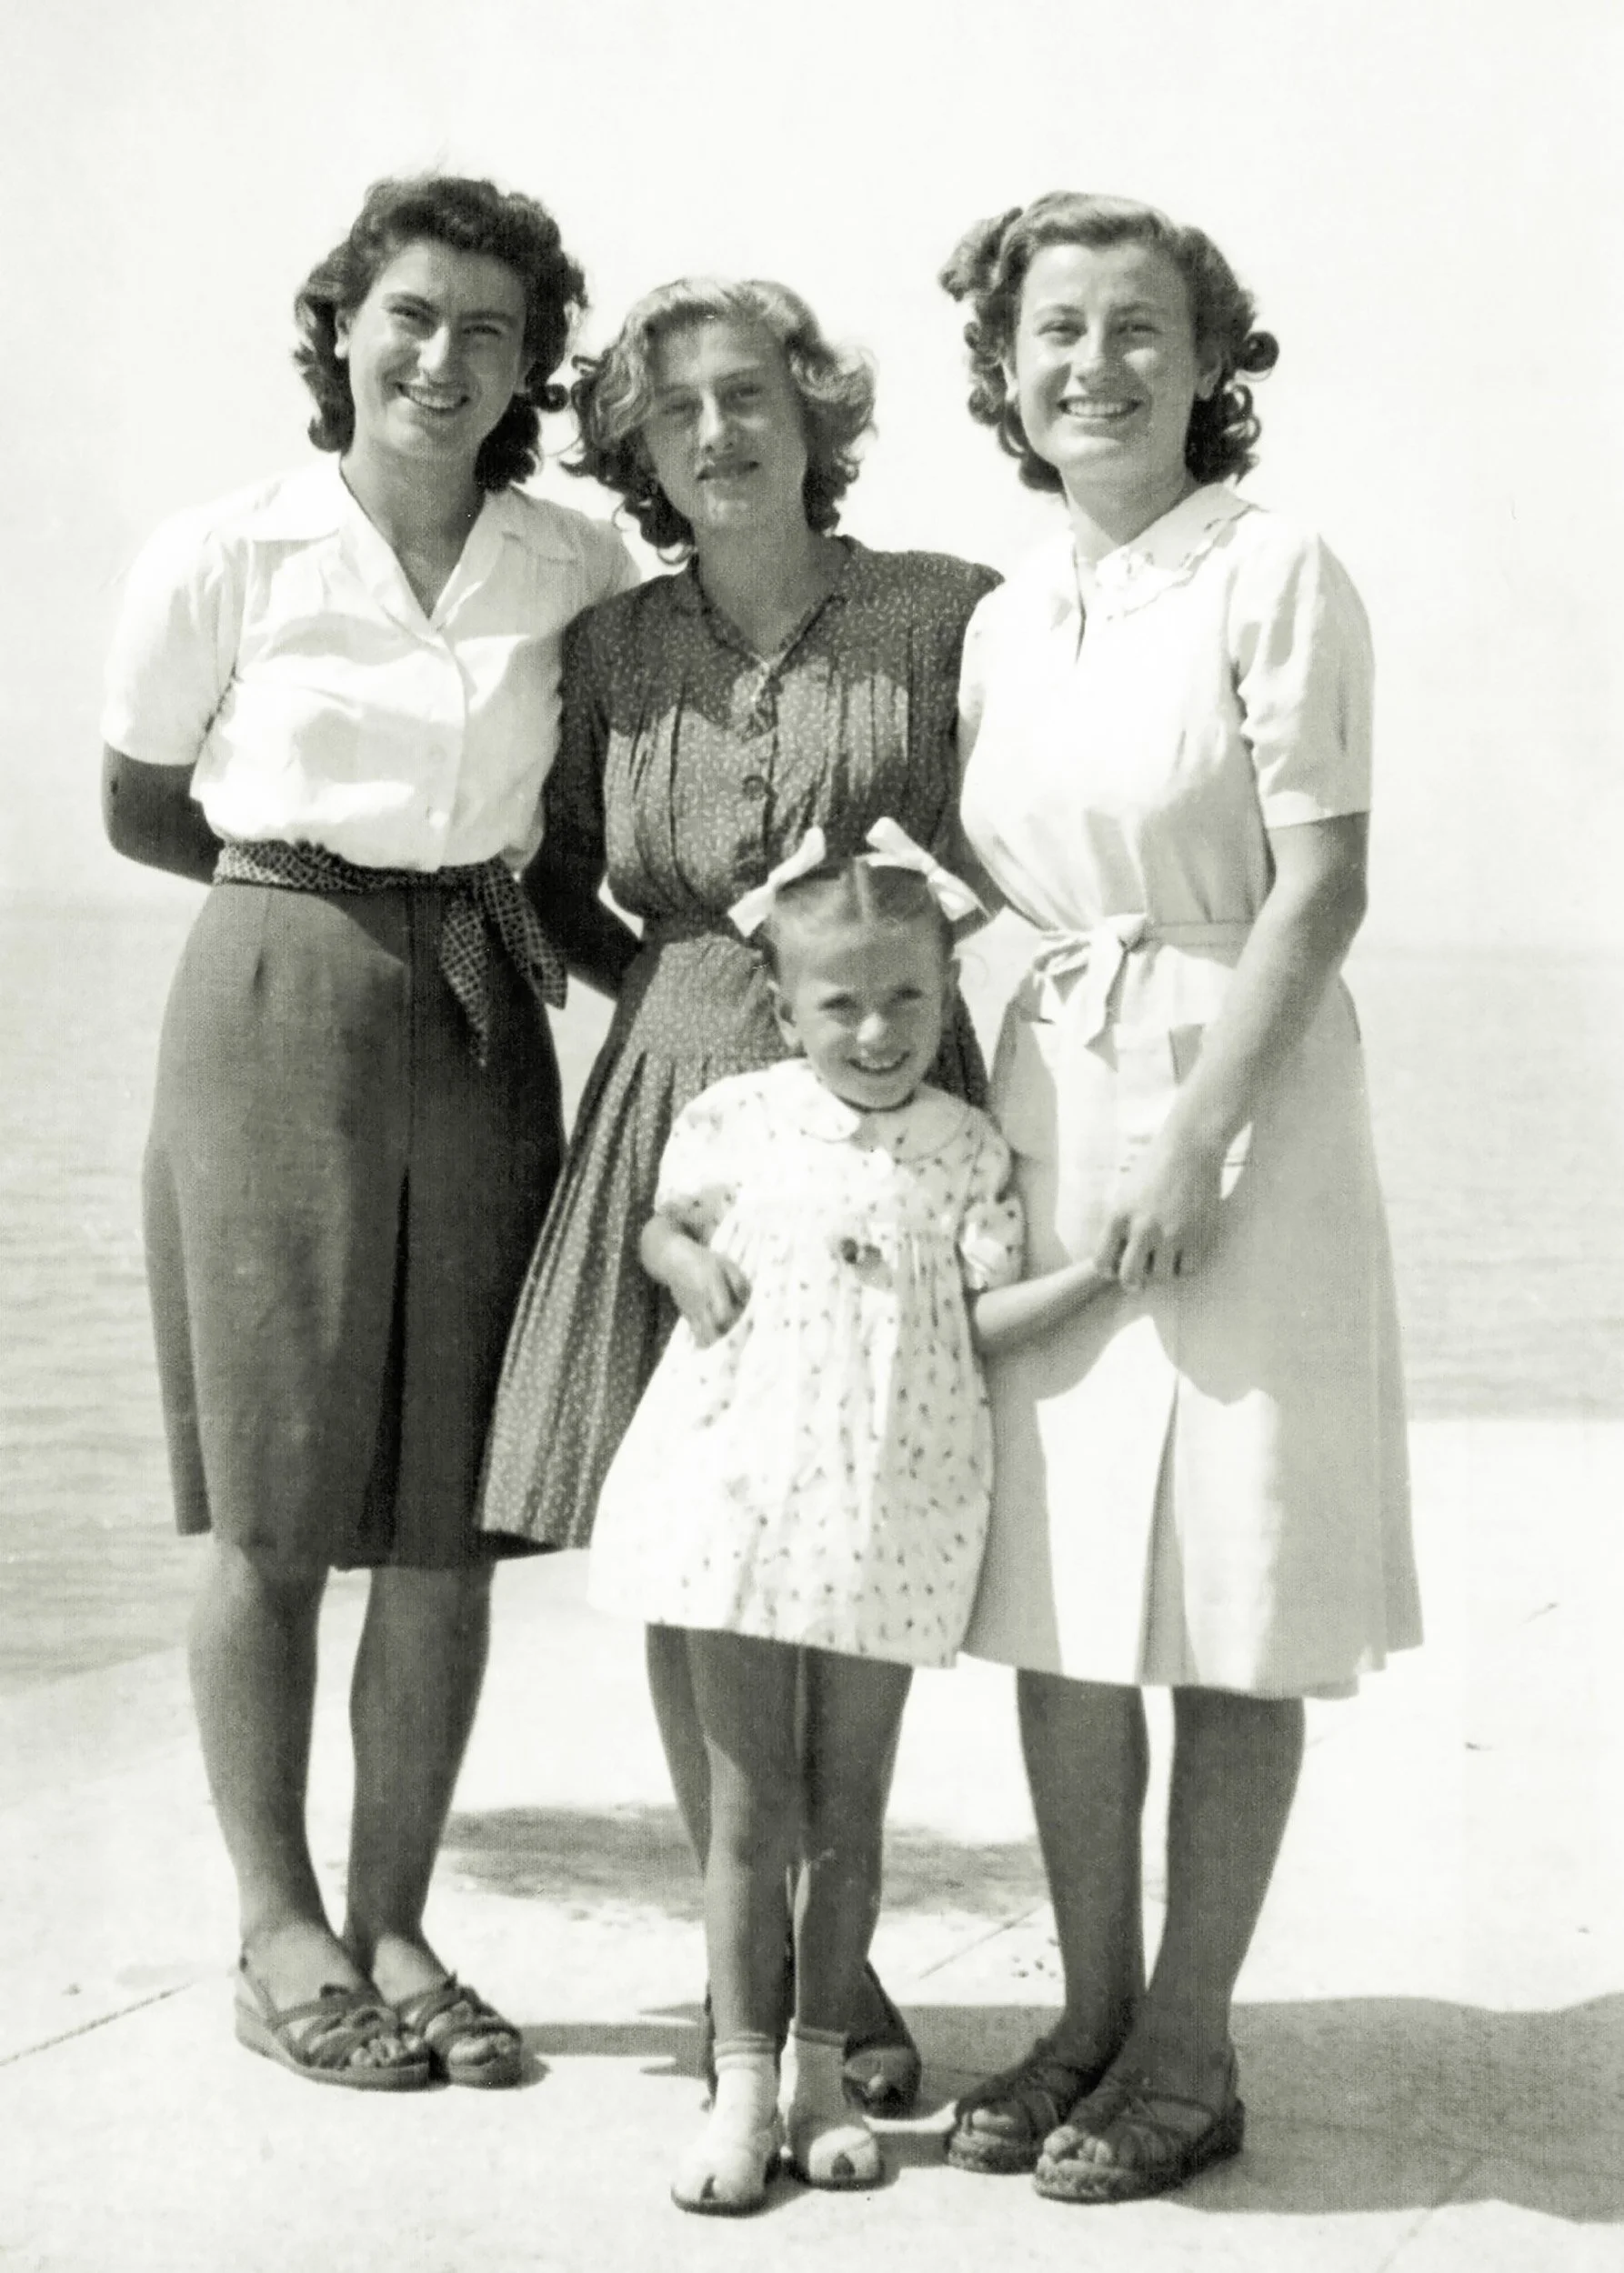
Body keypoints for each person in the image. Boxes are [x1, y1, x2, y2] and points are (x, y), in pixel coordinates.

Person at [100, 175, 637, 2090]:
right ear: (341, 325)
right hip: (273, 994)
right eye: (410, 314)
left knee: (444, 1515)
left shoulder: (570, 560)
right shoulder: (226, 549)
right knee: (270, 1495)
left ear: (530, 368)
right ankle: (279, 1924)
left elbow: (585, 828)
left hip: (484, 1010)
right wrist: (317, 913)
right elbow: (145, 805)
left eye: (490, 331)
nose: (442, 357)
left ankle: (399, 1918)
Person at [934, 193, 1422, 2201]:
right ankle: (1090, 2006)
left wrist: (1200, 1134)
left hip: (1242, 1092)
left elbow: (1322, 880)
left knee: (1228, 1582)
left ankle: (1193, 2041)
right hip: (1051, 1084)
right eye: (1056, 332)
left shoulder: (1273, 567)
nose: (1094, 369)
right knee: (1060, 1595)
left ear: (1211, 362)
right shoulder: (1002, 609)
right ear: (1006, 370)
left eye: (1141, 331)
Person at [476, 276, 998, 2106]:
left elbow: (1017, 843)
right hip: (681, 1086)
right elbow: (546, 866)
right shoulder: (614, 646)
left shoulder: (938, 612)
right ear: (634, 446)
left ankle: (830, 1957)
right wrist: (694, 993)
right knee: (709, 1521)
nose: (717, 431)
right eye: (675, 408)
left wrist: (877, 974)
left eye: (750, 393)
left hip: (886, 1087)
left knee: (863, 1495)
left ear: (813, 410)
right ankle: (744, 1972)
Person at [587, 829, 1109, 2212]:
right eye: (840, 1003)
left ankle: (821, 2075)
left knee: (848, 1814)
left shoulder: (964, 1151)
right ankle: (741, 2077)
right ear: (782, 1006)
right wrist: (679, 1260)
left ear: (948, 996)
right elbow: (660, 1223)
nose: (877, 1032)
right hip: (740, 1503)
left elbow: (982, 1316)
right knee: (748, 1809)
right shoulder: (737, 1118)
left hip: (891, 1510)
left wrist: (1101, 1270)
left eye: (909, 1003)